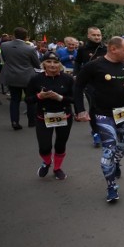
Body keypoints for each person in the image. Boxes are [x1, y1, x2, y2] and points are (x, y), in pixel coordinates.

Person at [74, 37, 124, 203]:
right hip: (103, 114)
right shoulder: (94, 65)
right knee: (108, 150)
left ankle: (116, 162)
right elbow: (78, 85)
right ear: (113, 49)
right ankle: (111, 186)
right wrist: (80, 110)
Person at [25, 52, 75, 180]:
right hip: (43, 116)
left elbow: (74, 99)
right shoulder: (36, 79)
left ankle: (57, 168)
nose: (52, 65)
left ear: (60, 64)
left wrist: (60, 97)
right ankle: (47, 162)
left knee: (60, 144)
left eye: (56, 62)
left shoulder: (68, 79)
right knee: (44, 146)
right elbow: (28, 99)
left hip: (64, 116)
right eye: (49, 62)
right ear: (43, 64)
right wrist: (39, 96)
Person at [0, 27, 41, 130]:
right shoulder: (30, 49)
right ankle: (32, 121)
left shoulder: (4, 45)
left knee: (14, 100)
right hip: (27, 77)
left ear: (14, 35)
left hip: (11, 76)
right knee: (30, 99)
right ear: (26, 37)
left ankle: (14, 121)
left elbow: (5, 59)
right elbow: (37, 64)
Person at [75, 27, 107, 147]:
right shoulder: (83, 49)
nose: (97, 37)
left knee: (103, 107)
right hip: (89, 83)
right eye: (94, 35)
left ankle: (104, 128)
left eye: (99, 35)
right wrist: (77, 75)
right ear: (88, 36)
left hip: (104, 82)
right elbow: (77, 63)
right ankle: (95, 132)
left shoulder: (105, 48)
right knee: (93, 106)